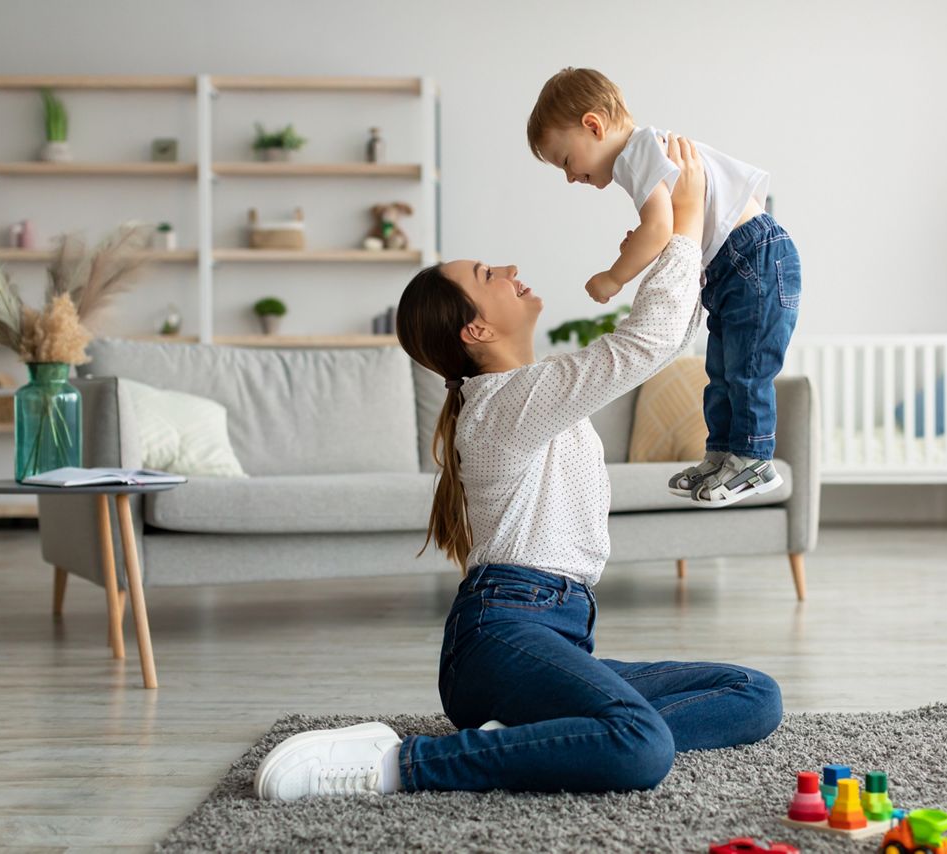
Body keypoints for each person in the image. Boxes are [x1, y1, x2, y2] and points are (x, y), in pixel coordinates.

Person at [253, 134, 782, 801]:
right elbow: (646, 342)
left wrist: (703, 232)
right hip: (499, 636)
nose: (506, 268)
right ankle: (399, 766)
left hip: (555, 632)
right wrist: (679, 223)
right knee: (641, 745)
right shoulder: (502, 404)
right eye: (486, 277)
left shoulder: (539, 393)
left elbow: (668, 338)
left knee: (753, 694)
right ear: (475, 330)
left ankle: (537, 743)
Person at [527, 67, 802, 508]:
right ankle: (722, 454)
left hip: (752, 257)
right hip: (737, 262)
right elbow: (670, 229)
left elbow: (660, 230)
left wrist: (614, 275)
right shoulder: (645, 153)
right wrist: (644, 240)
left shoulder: (636, 154)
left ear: (593, 126)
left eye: (564, 161)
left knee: (747, 368)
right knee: (723, 369)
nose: (569, 176)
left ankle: (753, 459)